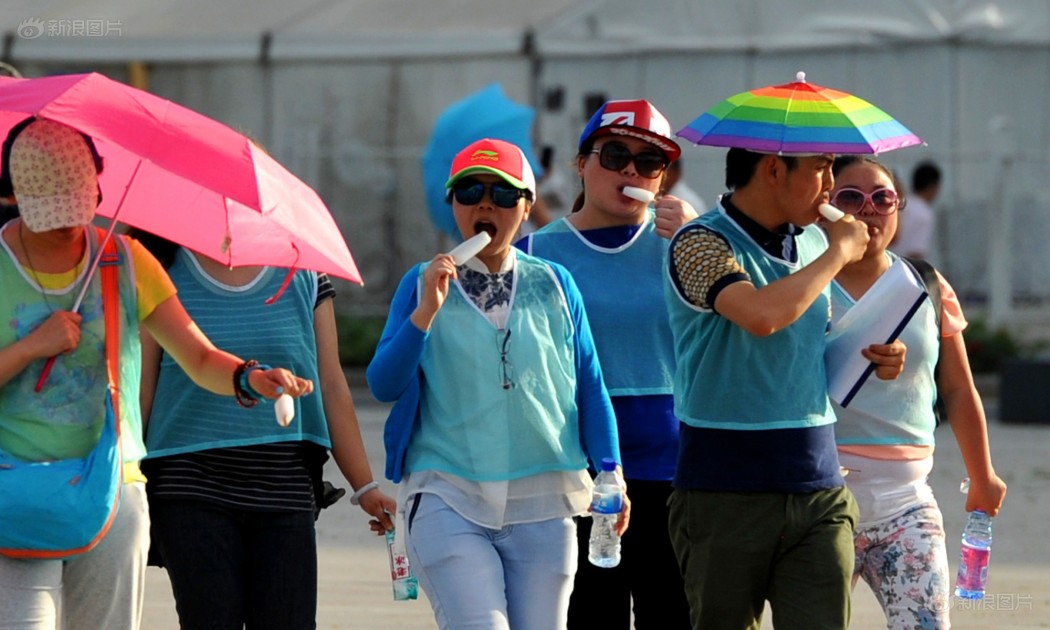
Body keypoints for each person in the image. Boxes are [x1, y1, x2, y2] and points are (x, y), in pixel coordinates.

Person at [0, 118, 312, 630]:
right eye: (49, 214)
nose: (66, 226)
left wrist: (249, 377)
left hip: (111, 492)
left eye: (76, 207)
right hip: (15, 490)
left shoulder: (124, 261)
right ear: (15, 198)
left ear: (98, 188)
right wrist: (34, 345)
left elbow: (201, 358)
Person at [367, 138, 626, 630]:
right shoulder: (421, 283)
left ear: (527, 206)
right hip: (448, 493)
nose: (486, 203)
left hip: (544, 499)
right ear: (453, 207)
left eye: (504, 194)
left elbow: (589, 384)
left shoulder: (555, 283)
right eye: (469, 191)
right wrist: (425, 313)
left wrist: (610, 470)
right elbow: (383, 383)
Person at [663, 147, 906, 630]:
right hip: (723, 491)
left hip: (818, 485)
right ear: (774, 169)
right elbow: (761, 316)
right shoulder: (699, 241)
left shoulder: (815, 243)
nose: (830, 183)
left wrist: (875, 357)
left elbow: (807, 348)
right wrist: (840, 252)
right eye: (821, 168)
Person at [135, 234, 396, 629]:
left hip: (284, 485)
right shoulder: (159, 268)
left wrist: (364, 486)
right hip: (189, 485)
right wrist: (123, 480)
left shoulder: (304, 272)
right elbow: (142, 388)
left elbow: (330, 384)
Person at [519, 98, 694, 629]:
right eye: (615, 154)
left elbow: (740, 326)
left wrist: (701, 241)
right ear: (581, 162)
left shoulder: (686, 243)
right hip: (580, 469)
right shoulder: (535, 254)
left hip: (676, 468)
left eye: (649, 162)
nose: (630, 171)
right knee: (594, 617)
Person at [829, 155, 1007, 628]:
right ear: (825, 207)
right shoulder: (804, 284)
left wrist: (983, 474)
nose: (869, 210)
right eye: (851, 197)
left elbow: (959, 386)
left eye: (882, 198)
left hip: (907, 502)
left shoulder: (925, 285)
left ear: (898, 208)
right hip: (822, 498)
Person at [892, 160, 941, 259]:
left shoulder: (902, 204)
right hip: (904, 268)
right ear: (933, 186)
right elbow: (916, 253)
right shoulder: (925, 214)